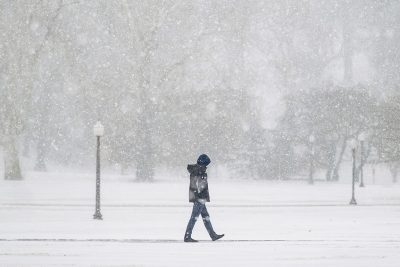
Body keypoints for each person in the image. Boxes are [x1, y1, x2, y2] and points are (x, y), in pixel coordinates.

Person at [184, 154, 224, 242]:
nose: (207, 166)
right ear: (204, 163)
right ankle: (187, 236)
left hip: (200, 198)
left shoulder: (197, 170)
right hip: (199, 198)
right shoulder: (199, 171)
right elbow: (197, 186)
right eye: (206, 164)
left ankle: (213, 235)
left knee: (206, 217)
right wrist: (199, 197)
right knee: (194, 218)